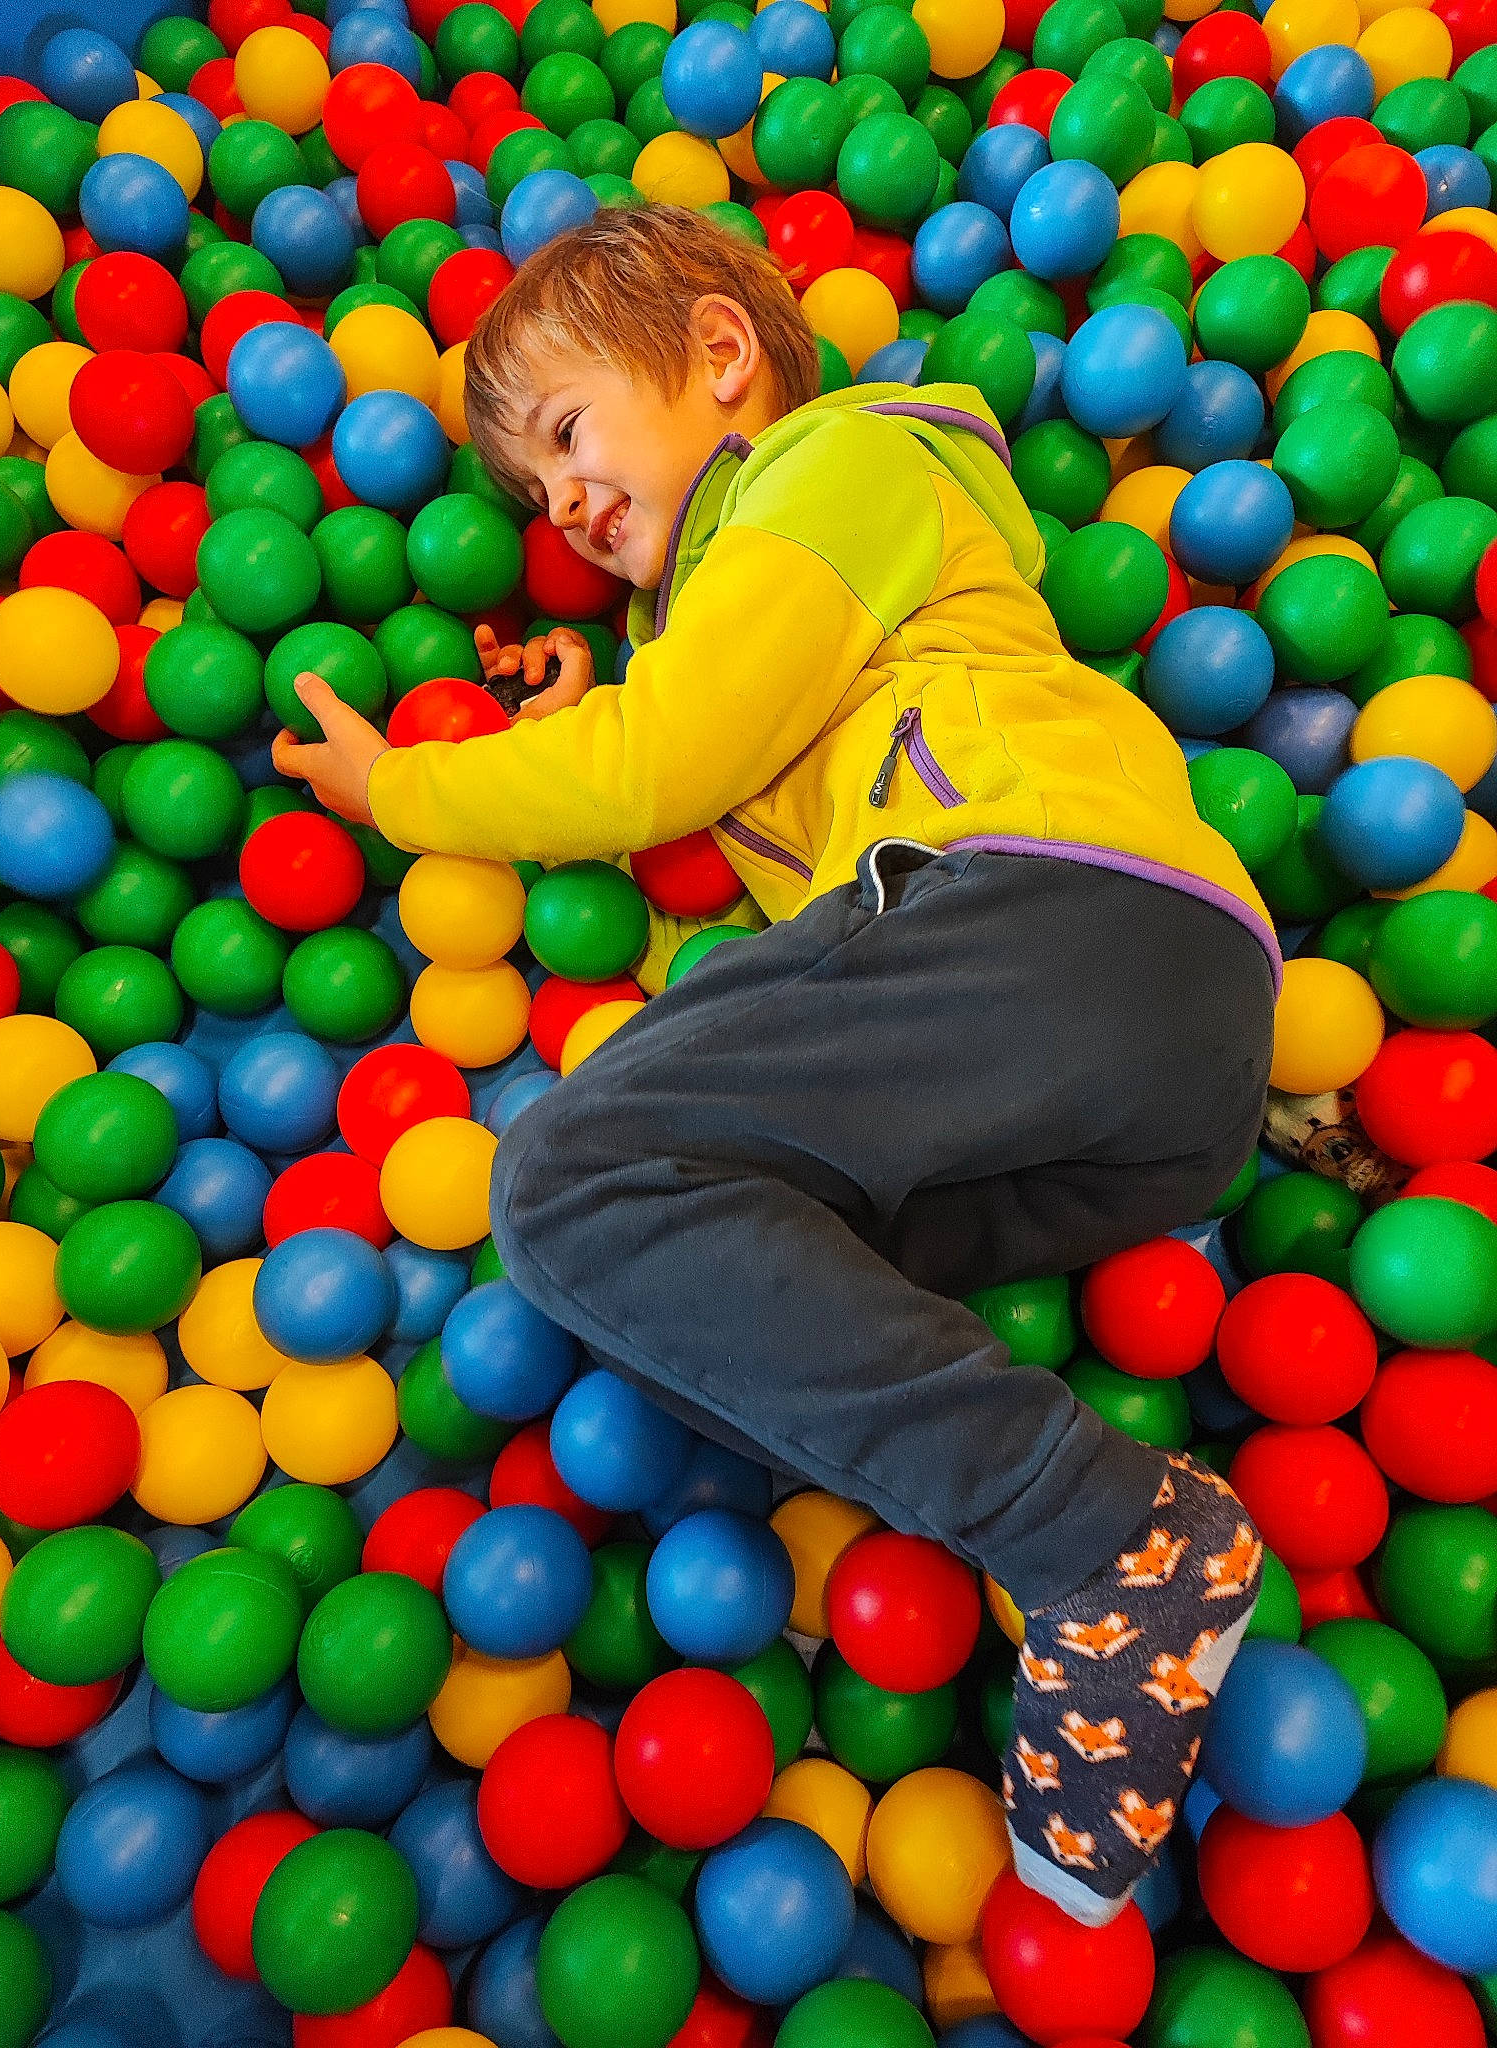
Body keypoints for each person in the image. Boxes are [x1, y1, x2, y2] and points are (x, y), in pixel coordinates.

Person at [274, 205, 1278, 1926]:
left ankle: (1103, 1532)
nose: (564, 508)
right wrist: (614, 691)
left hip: (1041, 908)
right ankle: (1085, 1499)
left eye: (574, 435)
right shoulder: (776, 616)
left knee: (574, 1182)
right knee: (712, 1306)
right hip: (1145, 1088)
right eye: (533, 499)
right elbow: (761, 869)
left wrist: (413, 794)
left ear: (726, 359)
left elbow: (669, 763)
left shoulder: (853, 461)